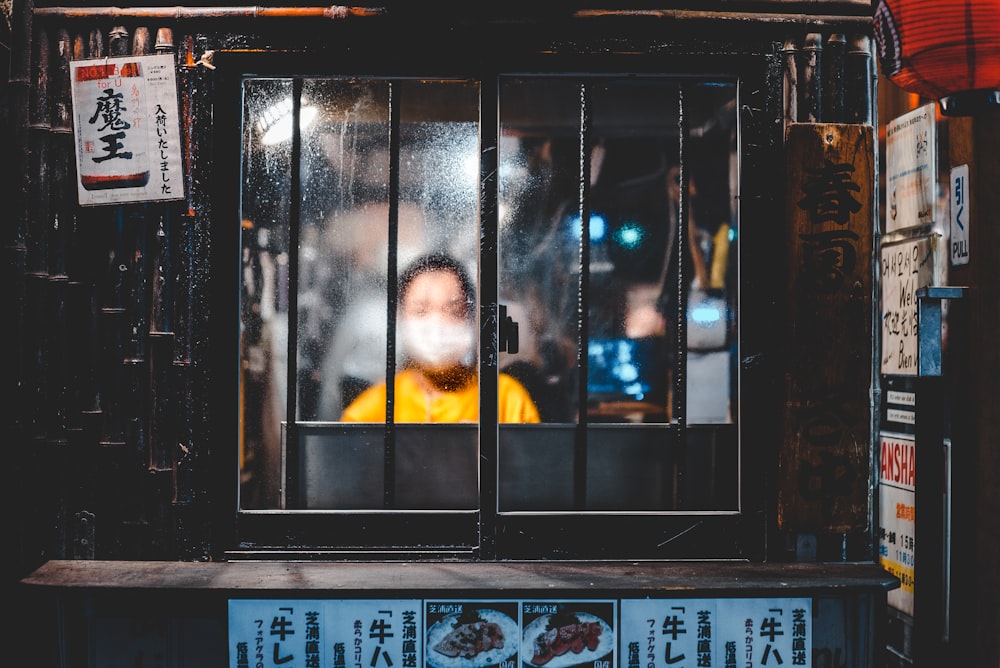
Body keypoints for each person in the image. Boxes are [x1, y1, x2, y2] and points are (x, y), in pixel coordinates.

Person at [340, 252, 541, 423]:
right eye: (421, 311)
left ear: (471, 317)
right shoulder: (376, 406)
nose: (437, 326)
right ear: (399, 319)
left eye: (454, 311)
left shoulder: (504, 398)